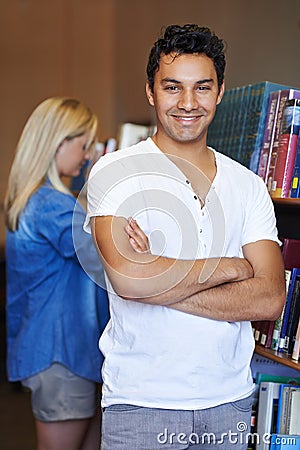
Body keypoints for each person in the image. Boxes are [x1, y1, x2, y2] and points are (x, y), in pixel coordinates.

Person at [84, 24, 286, 449]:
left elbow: (269, 297)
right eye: (173, 87)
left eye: (202, 87)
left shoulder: (248, 185)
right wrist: (231, 269)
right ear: (150, 91)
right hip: (140, 401)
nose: (188, 103)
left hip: (228, 401)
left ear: (221, 91)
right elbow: (128, 281)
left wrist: (157, 278)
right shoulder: (115, 172)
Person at [4, 96, 109, 450]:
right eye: (84, 145)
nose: (86, 155)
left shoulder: (37, 199)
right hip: (62, 352)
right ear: (59, 142)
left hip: (55, 350)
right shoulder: (52, 205)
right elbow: (105, 258)